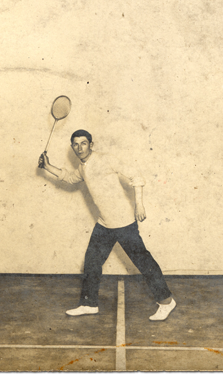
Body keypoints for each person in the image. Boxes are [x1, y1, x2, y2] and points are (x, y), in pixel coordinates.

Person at [38, 129, 176, 321]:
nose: (80, 148)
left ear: (91, 145)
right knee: (92, 262)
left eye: (84, 143)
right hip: (105, 223)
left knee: (143, 263)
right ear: (72, 147)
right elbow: (70, 178)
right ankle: (89, 304)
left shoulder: (105, 159)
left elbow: (136, 176)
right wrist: (47, 166)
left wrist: (139, 204)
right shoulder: (84, 167)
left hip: (124, 222)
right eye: (76, 144)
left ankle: (167, 302)